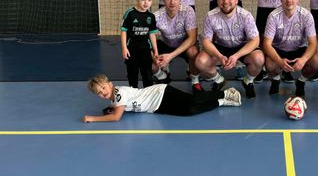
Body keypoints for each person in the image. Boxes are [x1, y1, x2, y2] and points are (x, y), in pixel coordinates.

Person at [195, 0, 265, 99]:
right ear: (218, 1)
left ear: (236, 0)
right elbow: (206, 41)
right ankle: (218, 80)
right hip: (220, 47)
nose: (225, 1)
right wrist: (219, 56)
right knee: (200, 61)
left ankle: (248, 81)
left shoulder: (246, 16)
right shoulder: (210, 16)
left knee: (259, 58)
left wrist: (236, 56)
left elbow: (255, 40)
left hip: (241, 46)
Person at [82, 74, 241, 123]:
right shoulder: (115, 100)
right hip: (157, 107)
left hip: (160, 93)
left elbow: (116, 117)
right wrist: (112, 108)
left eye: (103, 88)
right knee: (189, 111)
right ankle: (221, 102)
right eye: (99, 92)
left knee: (193, 100)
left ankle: (227, 93)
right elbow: (119, 107)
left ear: (110, 84)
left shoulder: (119, 93)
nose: (102, 92)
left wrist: (92, 118)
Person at [263, 0, 318, 97]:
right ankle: (275, 79)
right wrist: (279, 61)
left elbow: (313, 43)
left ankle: (301, 81)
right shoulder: (273, 16)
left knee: (317, 60)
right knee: (269, 63)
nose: (288, 0)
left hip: (299, 50)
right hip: (279, 49)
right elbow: (266, 44)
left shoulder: (306, 16)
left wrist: (303, 60)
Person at [153, 0, 201, 90]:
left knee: (193, 51)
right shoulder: (156, 16)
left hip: (184, 45)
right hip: (167, 44)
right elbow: (148, 36)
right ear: (163, 0)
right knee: (146, 52)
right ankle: (161, 75)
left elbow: (192, 38)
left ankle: (195, 81)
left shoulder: (188, 11)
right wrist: (155, 54)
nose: (172, 2)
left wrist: (170, 56)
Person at [120, 0, 159, 88]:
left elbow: (152, 34)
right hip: (131, 49)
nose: (146, 3)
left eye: (149, 0)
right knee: (132, 73)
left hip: (145, 49)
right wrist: (124, 48)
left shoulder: (151, 17)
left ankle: (148, 93)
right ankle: (133, 92)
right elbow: (123, 31)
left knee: (147, 74)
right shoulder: (130, 14)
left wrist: (155, 50)